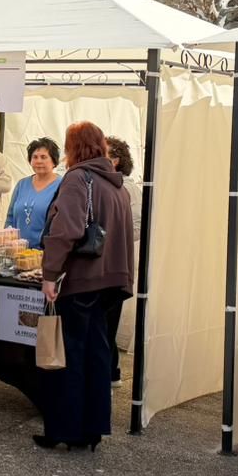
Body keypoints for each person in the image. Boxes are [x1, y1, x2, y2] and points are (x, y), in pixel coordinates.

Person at [38, 123, 135, 451]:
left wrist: (49, 275)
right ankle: (92, 429)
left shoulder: (79, 178)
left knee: (70, 356)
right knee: (97, 354)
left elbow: (65, 230)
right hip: (110, 282)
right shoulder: (118, 186)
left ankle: (64, 430)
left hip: (80, 281)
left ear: (73, 147)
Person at [105, 135, 144, 384]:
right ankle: (111, 372)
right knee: (104, 322)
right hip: (105, 263)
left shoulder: (128, 187)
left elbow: (138, 226)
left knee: (107, 322)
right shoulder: (107, 184)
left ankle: (111, 373)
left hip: (115, 264)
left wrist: (108, 237)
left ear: (116, 160)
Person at [6, 138, 63, 248]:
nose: (38, 161)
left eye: (43, 157)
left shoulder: (62, 185)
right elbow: (10, 217)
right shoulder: (22, 184)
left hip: (47, 252)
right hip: (19, 252)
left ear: (54, 161)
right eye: (35, 157)